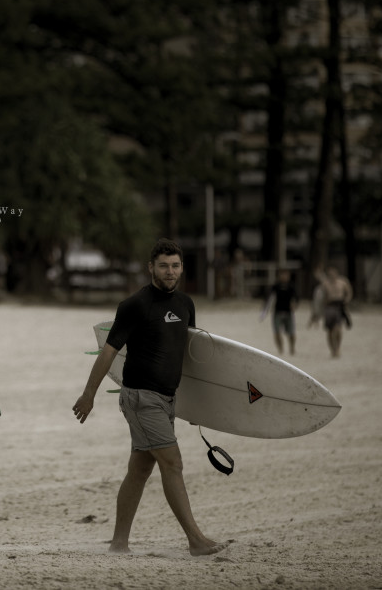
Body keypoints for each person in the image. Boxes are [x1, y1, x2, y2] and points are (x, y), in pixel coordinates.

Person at [72, 238, 227, 557]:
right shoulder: (136, 305)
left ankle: (118, 544)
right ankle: (196, 540)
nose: (170, 272)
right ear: (151, 268)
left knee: (140, 469)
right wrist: (89, 395)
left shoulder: (186, 304)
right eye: (163, 266)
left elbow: (189, 358)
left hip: (167, 399)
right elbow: (108, 352)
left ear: (182, 268)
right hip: (141, 398)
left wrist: (193, 406)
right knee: (173, 462)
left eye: (175, 266)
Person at [315, 266, 353, 358]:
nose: (332, 275)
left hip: (339, 306)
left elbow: (349, 292)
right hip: (329, 307)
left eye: (334, 273)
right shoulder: (325, 283)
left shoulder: (343, 282)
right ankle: (333, 349)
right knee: (330, 331)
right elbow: (318, 279)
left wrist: (347, 300)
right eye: (330, 273)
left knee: (338, 329)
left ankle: (338, 348)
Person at [268, 269, 298, 355]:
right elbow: (269, 298)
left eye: (286, 275)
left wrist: (295, 304)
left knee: (291, 333)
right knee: (277, 332)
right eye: (282, 274)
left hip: (288, 312)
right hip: (277, 311)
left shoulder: (291, 287)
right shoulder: (276, 286)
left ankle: (292, 348)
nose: (284, 277)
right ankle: (280, 349)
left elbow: (296, 298)